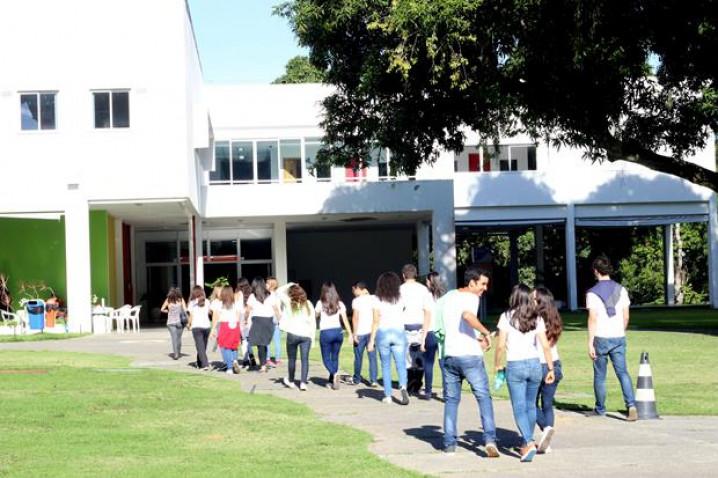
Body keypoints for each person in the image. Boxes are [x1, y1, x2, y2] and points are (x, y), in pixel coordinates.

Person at [440, 266, 498, 457]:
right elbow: (467, 316)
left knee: (451, 400)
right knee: (483, 397)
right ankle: (490, 439)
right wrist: (485, 332)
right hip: (470, 356)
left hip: (450, 354)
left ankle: (449, 443)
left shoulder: (449, 297)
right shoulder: (472, 298)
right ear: (472, 282)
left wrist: (476, 337)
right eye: (482, 284)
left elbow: (455, 325)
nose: (485, 288)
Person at [494, 284, 555, 462]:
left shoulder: (506, 317)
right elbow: (545, 345)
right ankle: (526, 441)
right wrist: (550, 368)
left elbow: (500, 345)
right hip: (535, 364)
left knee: (519, 407)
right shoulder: (536, 317)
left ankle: (528, 442)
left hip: (515, 364)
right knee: (530, 406)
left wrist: (497, 364)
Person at [587, 254, 637, 421]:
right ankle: (631, 405)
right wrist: (620, 330)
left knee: (600, 375)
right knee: (622, 372)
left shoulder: (592, 293)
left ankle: (600, 408)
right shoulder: (621, 290)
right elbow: (626, 316)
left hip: (601, 336)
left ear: (596, 271)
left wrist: (590, 342)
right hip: (618, 336)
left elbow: (592, 319)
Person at [368, 272, 410, 405]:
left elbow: (375, 321)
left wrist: (371, 340)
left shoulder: (376, 299)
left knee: (385, 365)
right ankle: (403, 386)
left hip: (383, 332)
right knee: (401, 364)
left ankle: (388, 395)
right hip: (398, 331)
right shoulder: (400, 298)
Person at [534, 286, 564, 454]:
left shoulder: (534, 319)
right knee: (547, 404)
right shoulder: (555, 318)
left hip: (539, 363)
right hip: (554, 361)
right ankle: (548, 436)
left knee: (530, 404)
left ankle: (546, 429)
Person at [399, 264, 432, 396]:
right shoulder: (424, 290)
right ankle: (417, 384)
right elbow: (427, 311)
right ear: (416, 274)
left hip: (405, 327)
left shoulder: (399, 290)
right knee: (420, 357)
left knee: (406, 358)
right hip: (420, 326)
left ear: (403, 276)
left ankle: (408, 385)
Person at [315, 281, 352, 390]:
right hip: (338, 332)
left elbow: (315, 315)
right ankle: (332, 381)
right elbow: (345, 319)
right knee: (335, 357)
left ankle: (334, 374)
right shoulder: (339, 304)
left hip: (326, 332)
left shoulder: (320, 303)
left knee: (326, 358)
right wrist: (350, 333)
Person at [280, 283, 316, 390]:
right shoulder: (308, 304)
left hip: (292, 334)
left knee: (292, 359)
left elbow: (279, 292)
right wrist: (312, 338)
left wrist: (291, 284)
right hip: (306, 335)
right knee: (305, 360)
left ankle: (291, 380)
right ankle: (303, 383)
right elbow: (313, 322)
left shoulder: (289, 302)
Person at [246, 277, 281, 373]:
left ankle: (263, 365)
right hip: (269, 321)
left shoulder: (252, 296)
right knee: (264, 344)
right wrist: (279, 319)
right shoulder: (270, 295)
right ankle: (264, 363)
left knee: (260, 345)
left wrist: (245, 319)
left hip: (257, 321)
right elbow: (276, 309)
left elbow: (248, 310)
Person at [351, 281, 379, 387]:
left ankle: (357, 378)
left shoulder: (356, 301)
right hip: (371, 331)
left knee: (358, 357)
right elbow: (377, 316)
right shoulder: (374, 298)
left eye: (354, 289)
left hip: (360, 332)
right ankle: (374, 380)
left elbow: (355, 318)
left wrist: (354, 333)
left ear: (358, 288)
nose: (353, 292)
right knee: (372, 357)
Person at [423, 271, 445, 400]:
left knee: (429, 363)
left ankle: (428, 391)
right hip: (442, 333)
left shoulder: (427, 296)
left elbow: (427, 317)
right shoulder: (444, 295)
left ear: (430, 281)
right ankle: (446, 391)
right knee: (443, 363)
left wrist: (423, 336)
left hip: (431, 332)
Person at [210, 285, 242, 374]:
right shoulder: (236, 303)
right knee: (234, 346)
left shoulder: (219, 303)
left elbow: (217, 317)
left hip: (225, 325)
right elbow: (238, 315)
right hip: (235, 325)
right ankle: (235, 360)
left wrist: (213, 329)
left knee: (226, 346)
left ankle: (229, 367)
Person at [188, 285, 212, 370]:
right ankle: (200, 362)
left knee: (200, 346)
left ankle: (205, 364)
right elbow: (210, 312)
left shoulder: (192, 303)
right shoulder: (207, 301)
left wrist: (189, 324)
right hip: (207, 327)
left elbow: (191, 316)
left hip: (196, 327)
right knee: (202, 346)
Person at [160, 287, 187, 360]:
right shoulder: (181, 299)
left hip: (170, 322)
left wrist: (168, 311)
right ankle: (178, 352)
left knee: (174, 338)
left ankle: (176, 354)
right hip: (180, 322)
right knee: (179, 338)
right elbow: (185, 310)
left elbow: (162, 309)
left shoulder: (168, 300)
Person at [235, 277, 254, 368]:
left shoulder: (238, 294)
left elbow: (237, 309)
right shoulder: (252, 294)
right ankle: (252, 357)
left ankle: (246, 360)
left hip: (242, 318)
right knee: (248, 339)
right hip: (251, 318)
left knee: (243, 340)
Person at [266, 276, 282, 367]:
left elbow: (275, 308)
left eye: (267, 283)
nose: (265, 285)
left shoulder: (269, 295)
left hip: (270, 318)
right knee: (277, 340)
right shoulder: (277, 295)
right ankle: (278, 359)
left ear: (271, 285)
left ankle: (268, 358)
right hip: (276, 320)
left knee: (268, 341)